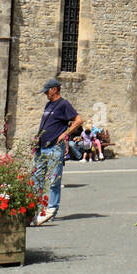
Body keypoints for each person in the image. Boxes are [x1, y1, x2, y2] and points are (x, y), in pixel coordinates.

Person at [32, 78, 82, 224]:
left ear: (54, 89)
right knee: (36, 178)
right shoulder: (49, 104)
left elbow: (78, 120)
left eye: (47, 91)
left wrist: (65, 134)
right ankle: (37, 208)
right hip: (42, 147)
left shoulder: (64, 104)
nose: (46, 94)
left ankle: (51, 210)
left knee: (54, 179)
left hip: (54, 147)